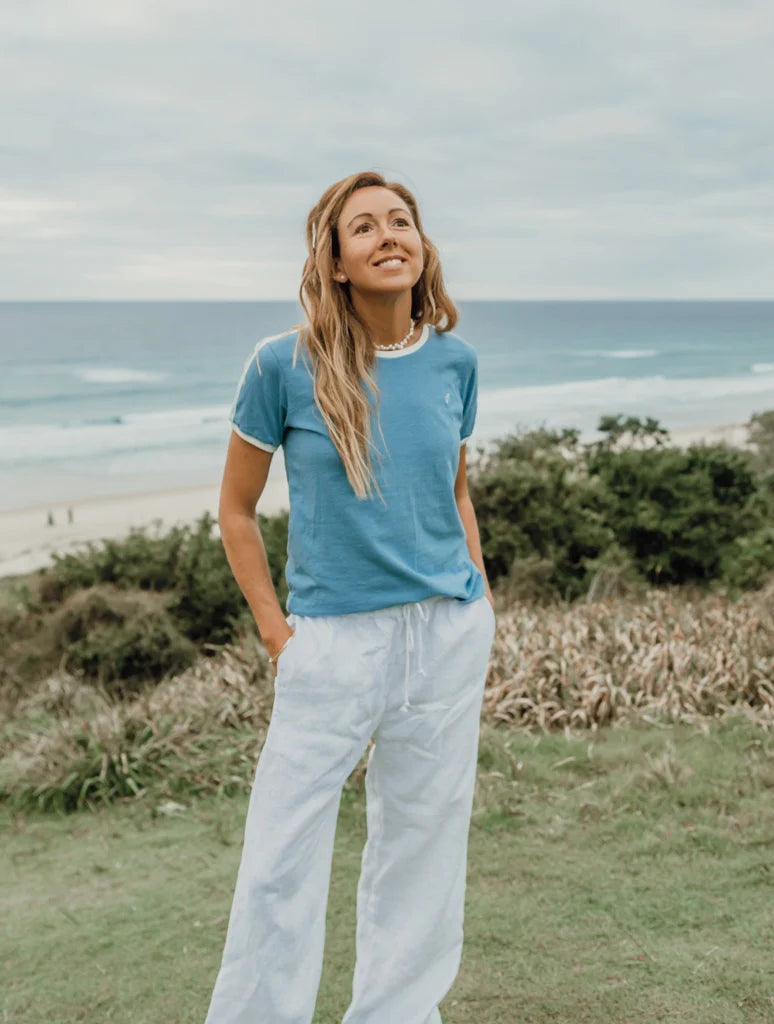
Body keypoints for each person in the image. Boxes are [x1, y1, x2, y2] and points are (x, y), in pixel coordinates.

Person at [204, 170, 496, 1024]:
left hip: (445, 634)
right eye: (363, 228)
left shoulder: (456, 362)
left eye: (400, 221)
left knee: (423, 844)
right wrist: (275, 633)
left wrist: (478, 598)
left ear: (422, 244)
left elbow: (455, 492)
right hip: (332, 643)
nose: (388, 236)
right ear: (334, 261)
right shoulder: (281, 365)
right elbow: (235, 510)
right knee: (279, 859)